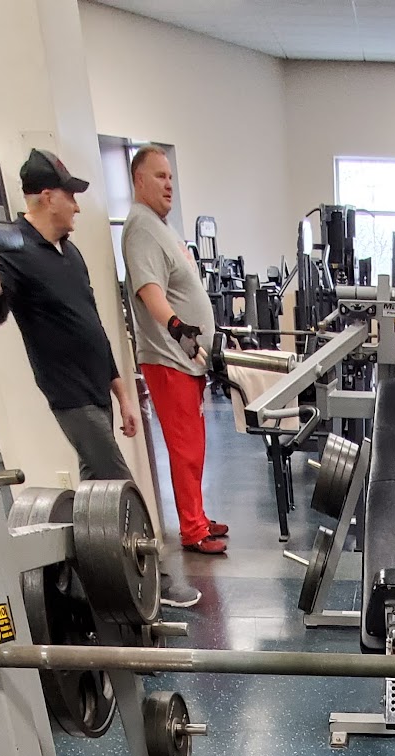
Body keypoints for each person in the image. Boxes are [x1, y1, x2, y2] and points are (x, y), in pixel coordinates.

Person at [0, 149, 140, 484]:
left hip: (98, 390)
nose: (77, 206)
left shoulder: (70, 252)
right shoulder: (13, 248)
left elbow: (93, 325)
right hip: (70, 395)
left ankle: (88, 522)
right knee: (122, 488)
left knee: (97, 490)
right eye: (71, 197)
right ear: (48, 197)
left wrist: (122, 395)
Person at [121, 147, 228, 556]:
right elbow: (150, 290)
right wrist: (179, 330)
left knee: (195, 444)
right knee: (184, 447)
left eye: (170, 177)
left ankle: (197, 515)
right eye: (159, 176)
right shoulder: (141, 228)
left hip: (186, 359)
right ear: (138, 180)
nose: (169, 184)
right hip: (169, 357)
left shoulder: (159, 226)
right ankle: (193, 529)